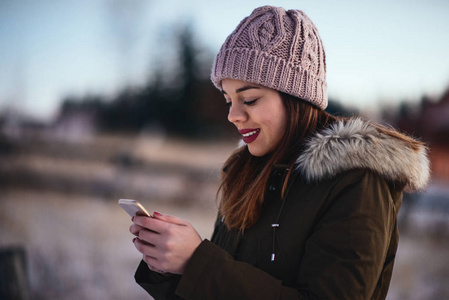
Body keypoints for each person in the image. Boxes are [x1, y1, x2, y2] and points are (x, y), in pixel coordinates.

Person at [129, 5, 430, 300]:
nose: (233, 115)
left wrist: (199, 262)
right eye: (228, 100)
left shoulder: (356, 181)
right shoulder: (245, 171)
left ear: (296, 97)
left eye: (249, 99)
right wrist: (174, 269)